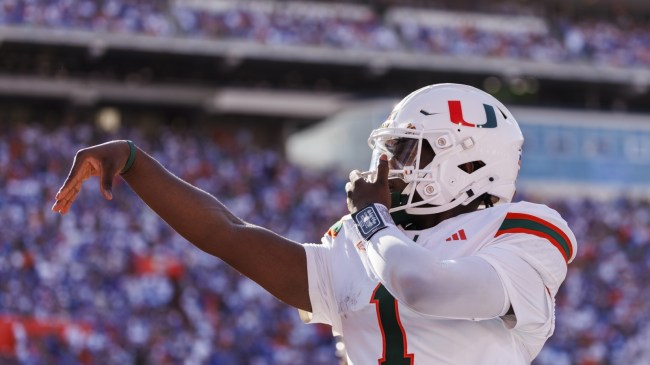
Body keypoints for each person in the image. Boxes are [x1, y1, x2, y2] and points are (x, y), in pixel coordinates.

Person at [52, 83, 577, 365]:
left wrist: (371, 220)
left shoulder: (522, 229)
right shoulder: (359, 238)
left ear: (467, 160)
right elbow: (228, 236)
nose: (389, 165)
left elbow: (426, 286)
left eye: (407, 150)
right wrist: (137, 164)